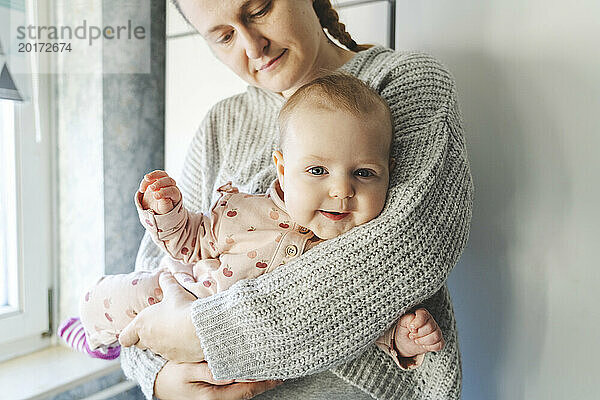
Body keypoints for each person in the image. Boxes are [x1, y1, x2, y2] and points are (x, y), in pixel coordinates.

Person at [118, 0, 473, 399]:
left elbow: (409, 246)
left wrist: (206, 334)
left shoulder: (401, 81)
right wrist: (159, 378)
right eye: (224, 36)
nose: (253, 47)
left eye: (259, 10)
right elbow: (152, 273)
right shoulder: (221, 123)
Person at [60, 74, 445, 375]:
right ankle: (98, 335)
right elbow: (190, 243)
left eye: (364, 173)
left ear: (389, 174)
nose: (341, 190)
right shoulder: (242, 210)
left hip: (248, 362)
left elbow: (357, 315)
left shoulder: (363, 248)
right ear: (282, 169)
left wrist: (402, 337)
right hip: (187, 295)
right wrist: (166, 212)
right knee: (112, 295)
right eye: (316, 171)